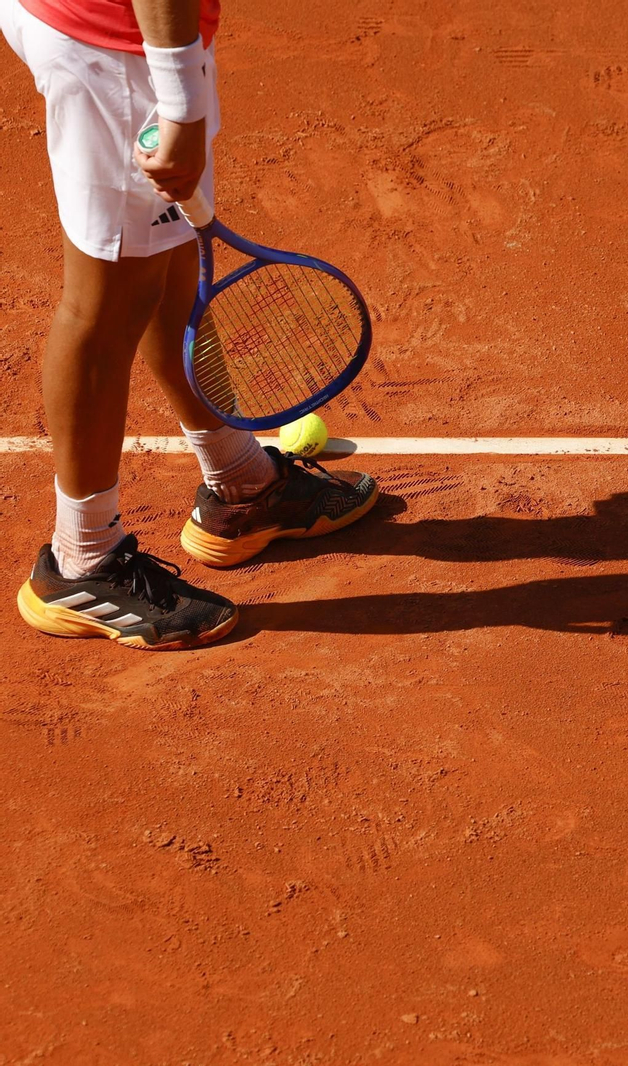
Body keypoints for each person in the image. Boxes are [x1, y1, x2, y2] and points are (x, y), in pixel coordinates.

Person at [2, 0, 377, 649]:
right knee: (105, 302)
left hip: (119, 32)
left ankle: (242, 483)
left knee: (166, 262)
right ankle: (82, 562)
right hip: (119, 45)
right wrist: (176, 95)